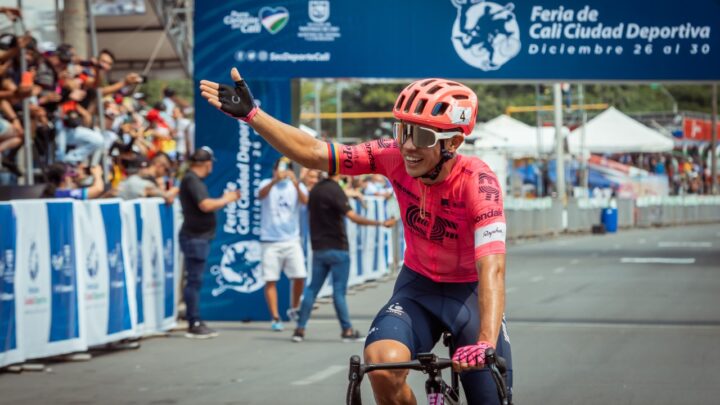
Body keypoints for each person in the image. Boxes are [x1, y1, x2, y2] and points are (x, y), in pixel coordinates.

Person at [200, 70, 512, 404]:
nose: (407, 146)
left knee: (488, 393)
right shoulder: (391, 154)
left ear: (453, 142)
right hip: (418, 286)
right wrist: (253, 115)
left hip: (468, 292)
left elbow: (492, 268)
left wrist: (484, 342)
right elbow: (317, 153)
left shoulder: (478, 182)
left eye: (421, 137)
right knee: (381, 366)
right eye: (402, 130)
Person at [292, 172, 396, 343]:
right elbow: (353, 217)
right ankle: (347, 330)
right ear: (339, 172)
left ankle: (299, 329)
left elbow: (307, 206)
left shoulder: (316, 190)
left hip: (318, 247)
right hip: (338, 247)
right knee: (338, 292)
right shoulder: (336, 190)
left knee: (311, 290)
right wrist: (380, 223)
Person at [178, 146, 241, 339]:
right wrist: (226, 199)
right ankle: (194, 321)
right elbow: (205, 205)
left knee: (195, 280)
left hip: (198, 236)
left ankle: (195, 319)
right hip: (195, 237)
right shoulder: (192, 180)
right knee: (194, 280)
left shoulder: (192, 180)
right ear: (206, 163)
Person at [258, 157, 309, 331]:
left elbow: (305, 202)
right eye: (278, 169)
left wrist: (295, 182)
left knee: (300, 276)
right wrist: (274, 180)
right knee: (270, 279)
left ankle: (294, 308)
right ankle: (275, 316)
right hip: (270, 240)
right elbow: (260, 195)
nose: (281, 172)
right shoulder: (266, 183)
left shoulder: (296, 186)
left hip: (291, 239)